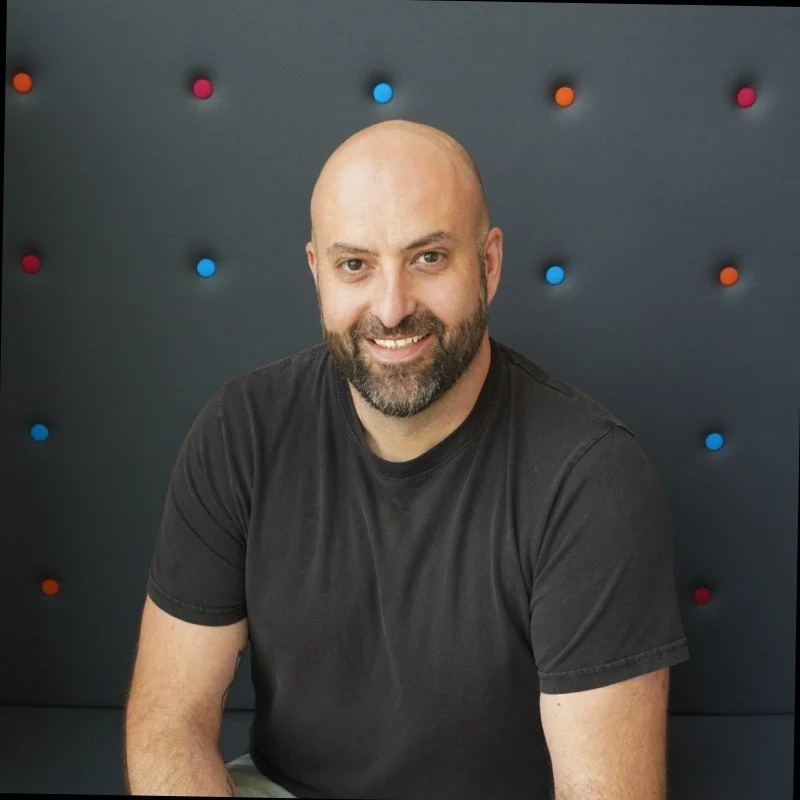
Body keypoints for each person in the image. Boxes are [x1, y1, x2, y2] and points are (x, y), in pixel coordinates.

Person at [135, 119, 690, 799]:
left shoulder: (590, 477)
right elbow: (169, 720)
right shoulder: (240, 429)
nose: (391, 309)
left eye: (428, 257)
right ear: (318, 273)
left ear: (488, 264)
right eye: (355, 265)